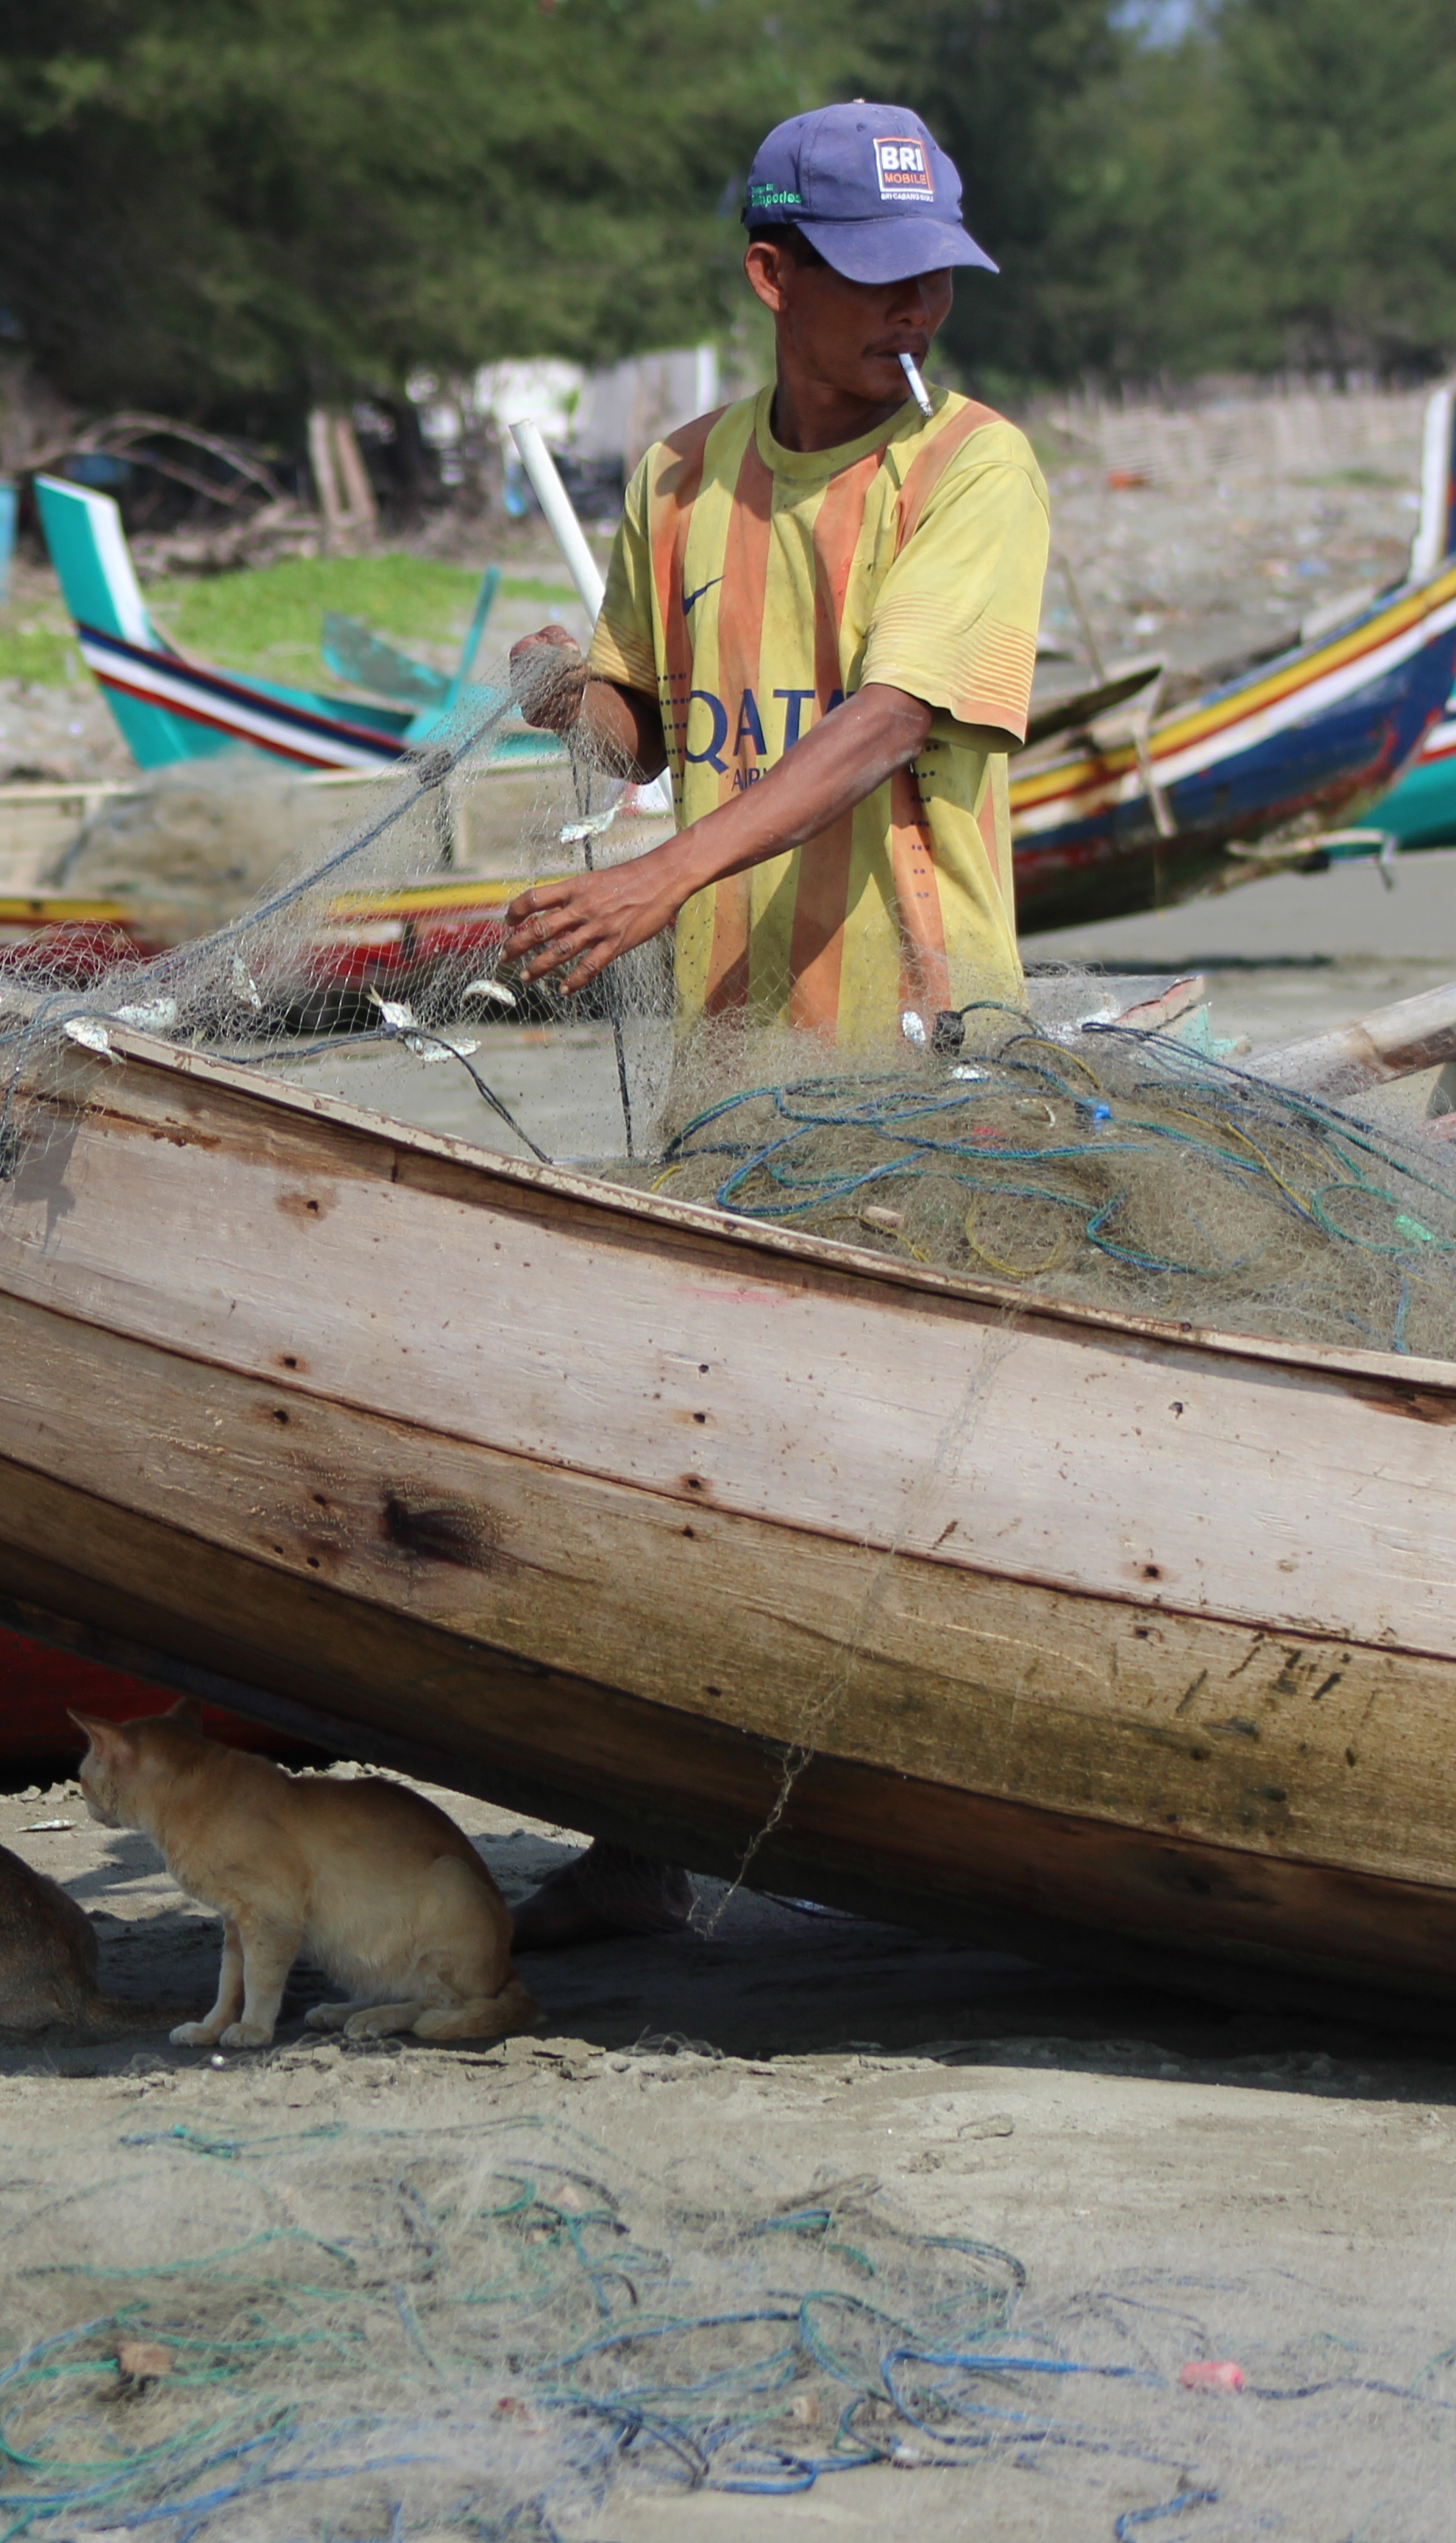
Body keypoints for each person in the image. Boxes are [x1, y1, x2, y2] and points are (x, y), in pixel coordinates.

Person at [493, 102, 1049, 1948]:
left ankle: (977, 1817)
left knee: (919, 1445)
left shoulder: (974, 470)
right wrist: (574, 703)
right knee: (699, 1440)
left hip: (916, 1039)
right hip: (731, 1044)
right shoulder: (673, 480)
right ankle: (652, 1835)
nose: (914, 321)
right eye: (879, 288)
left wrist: (650, 882)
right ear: (772, 277)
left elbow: (889, 723)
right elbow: (646, 728)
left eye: (936, 287)